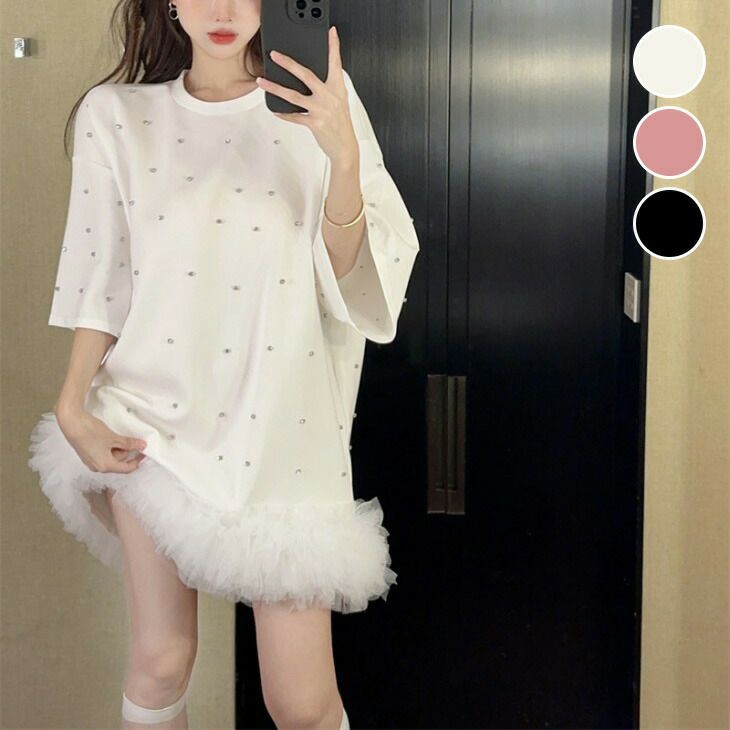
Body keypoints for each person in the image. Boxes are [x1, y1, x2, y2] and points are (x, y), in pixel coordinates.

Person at [27, 1, 419, 727]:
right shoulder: (116, 116)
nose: (222, 9)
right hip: (150, 422)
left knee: (301, 704)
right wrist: (72, 403)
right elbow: (100, 272)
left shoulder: (324, 104)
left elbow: (358, 276)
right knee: (161, 660)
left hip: (283, 432)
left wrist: (343, 159)